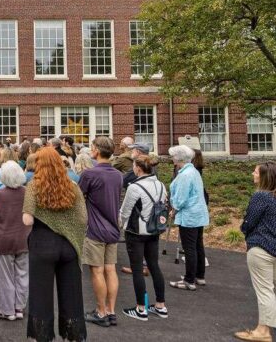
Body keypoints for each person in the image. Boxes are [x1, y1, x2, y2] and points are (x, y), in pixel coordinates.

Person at [23, 147, 87, 341]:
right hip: (69, 244)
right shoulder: (72, 185)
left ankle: (42, 336)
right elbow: (83, 218)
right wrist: (69, 229)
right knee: (72, 294)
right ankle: (73, 334)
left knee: (40, 295)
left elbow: (27, 220)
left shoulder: (33, 185)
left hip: (42, 244)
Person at [235, 161, 276, 341]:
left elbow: (250, 221)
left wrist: (244, 230)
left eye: (256, 172)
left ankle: (263, 331)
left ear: (265, 176)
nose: (253, 174)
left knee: (265, 290)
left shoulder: (261, 196)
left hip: (262, 248)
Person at [78, 136, 122, 327]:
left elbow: (78, 197)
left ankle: (100, 311)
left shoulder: (89, 174)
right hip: (113, 227)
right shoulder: (118, 175)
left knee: (97, 271)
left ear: (96, 150)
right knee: (110, 269)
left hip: (95, 229)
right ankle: (111, 311)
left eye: (92, 147)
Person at [118, 155, 167, 321]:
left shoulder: (134, 187)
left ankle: (140, 308)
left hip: (136, 231)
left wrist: (121, 224)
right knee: (154, 266)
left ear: (138, 168)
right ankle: (160, 305)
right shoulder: (160, 185)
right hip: (154, 230)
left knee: (137, 269)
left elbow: (125, 211)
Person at [0, 161, 30, 322]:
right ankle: (19, 307)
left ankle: (6, 309)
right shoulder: (27, 192)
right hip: (23, 238)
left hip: (2, 239)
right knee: (22, 274)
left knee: (3, 276)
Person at [168, 144, 209, 291]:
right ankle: (199, 276)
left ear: (179, 158)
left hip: (189, 215)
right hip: (198, 214)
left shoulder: (185, 175)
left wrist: (174, 209)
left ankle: (189, 280)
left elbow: (181, 198)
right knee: (198, 245)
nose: (172, 158)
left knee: (189, 248)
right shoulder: (194, 171)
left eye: (173, 156)